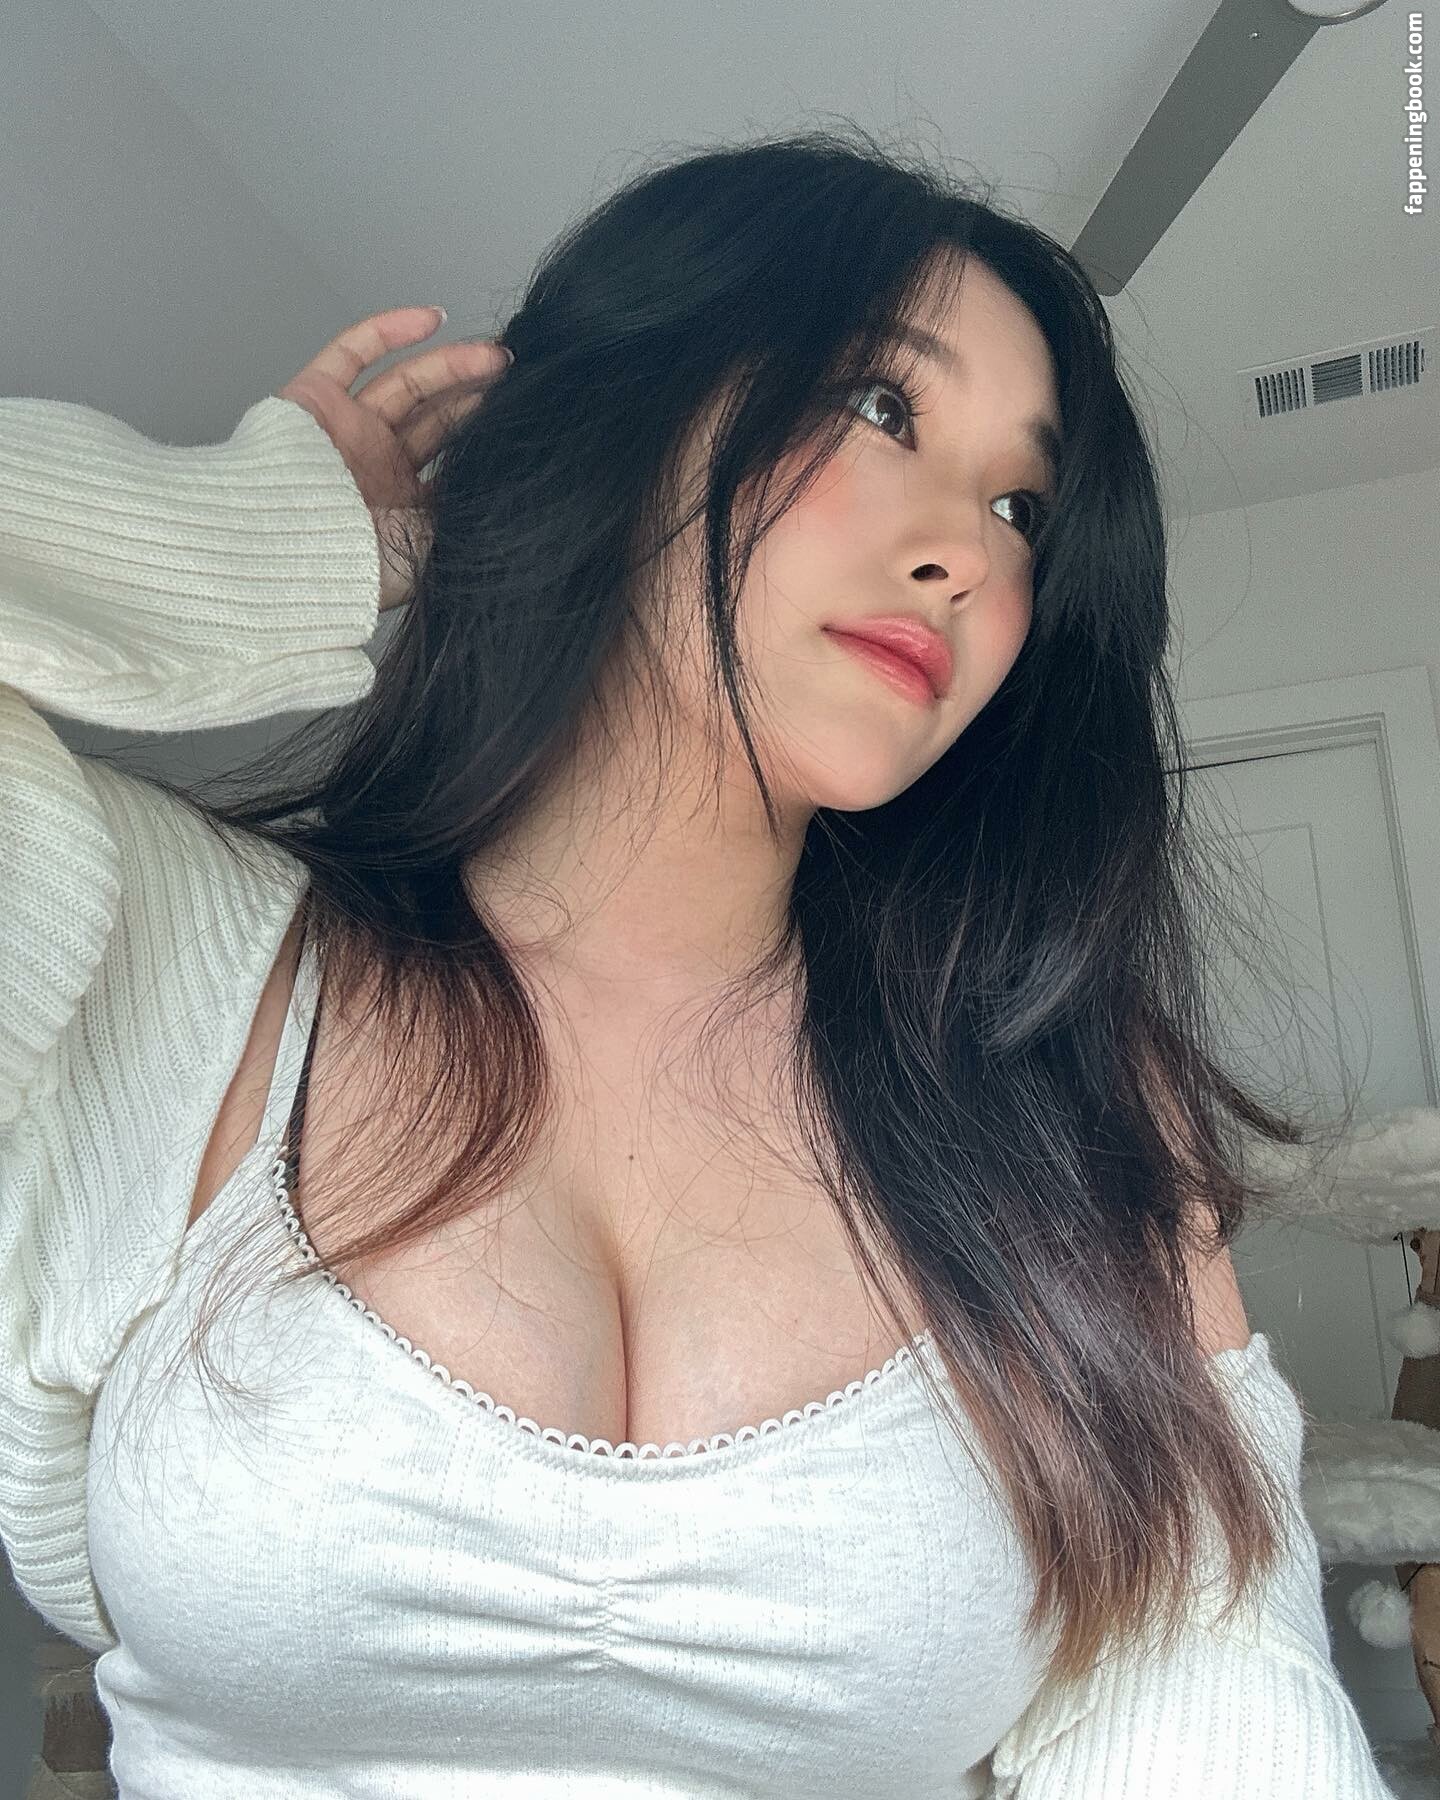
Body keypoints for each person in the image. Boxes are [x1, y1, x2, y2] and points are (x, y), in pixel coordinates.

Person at [0, 129, 1397, 1797]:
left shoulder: (1060, 1107)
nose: (969, 552)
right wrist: (267, 538)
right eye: (880, 405)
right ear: (631, 411)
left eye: (1023, 506)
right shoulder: (161, 964)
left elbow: (1209, 1678)